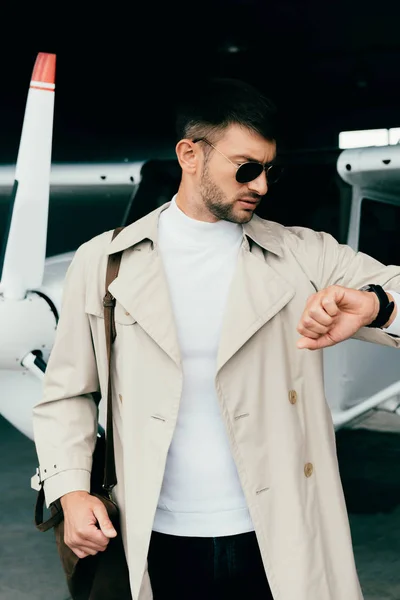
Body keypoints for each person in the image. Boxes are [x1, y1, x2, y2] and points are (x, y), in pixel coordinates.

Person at [32, 77, 400, 600]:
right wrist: (69, 490)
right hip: (153, 533)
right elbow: (68, 391)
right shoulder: (105, 261)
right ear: (190, 154)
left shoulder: (305, 254)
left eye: (270, 170)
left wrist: (376, 304)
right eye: (246, 168)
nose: (261, 186)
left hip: (279, 534)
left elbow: (393, 289)